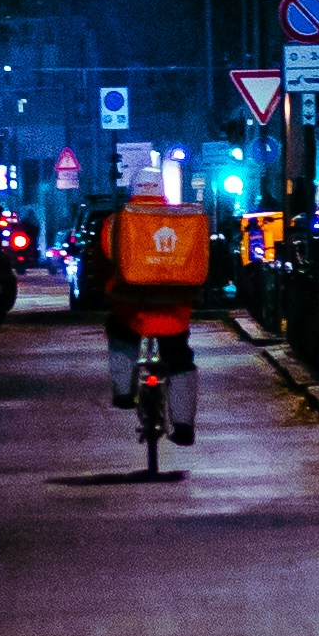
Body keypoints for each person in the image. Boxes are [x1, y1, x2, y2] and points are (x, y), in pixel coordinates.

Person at [84, 181, 210, 449]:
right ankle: (183, 425)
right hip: (173, 308)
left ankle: (123, 392)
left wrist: (102, 289)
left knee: (120, 335)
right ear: (162, 192)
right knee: (180, 359)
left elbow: (103, 259)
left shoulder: (115, 222)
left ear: (134, 191)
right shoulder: (181, 220)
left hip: (131, 306)